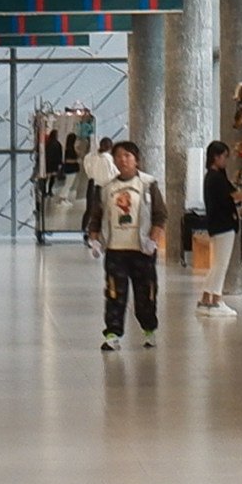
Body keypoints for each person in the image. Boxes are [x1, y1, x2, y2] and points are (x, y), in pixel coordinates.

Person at [97, 140, 161, 349]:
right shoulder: (108, 187)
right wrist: (94, 237)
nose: (123, 160)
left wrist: (154, 238)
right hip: (116, 250)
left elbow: (160, 215)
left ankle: (149, 328)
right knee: (115, 293)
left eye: (128, 156)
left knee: (145, 293)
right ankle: (113, 334)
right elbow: (98, 214)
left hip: (141, 249)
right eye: (119, 156)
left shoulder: (147, 184)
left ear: (136, 160)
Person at [194, 138, 242, 316]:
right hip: (224, 226)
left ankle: (205, 298)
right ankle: (216, 300)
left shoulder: (212, 177)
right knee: (221, 264)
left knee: (217, 264)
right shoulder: (216, 178)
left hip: (217, 225)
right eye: (224, 157)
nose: (225, 160)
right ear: (216, 157)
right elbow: (235, 195)